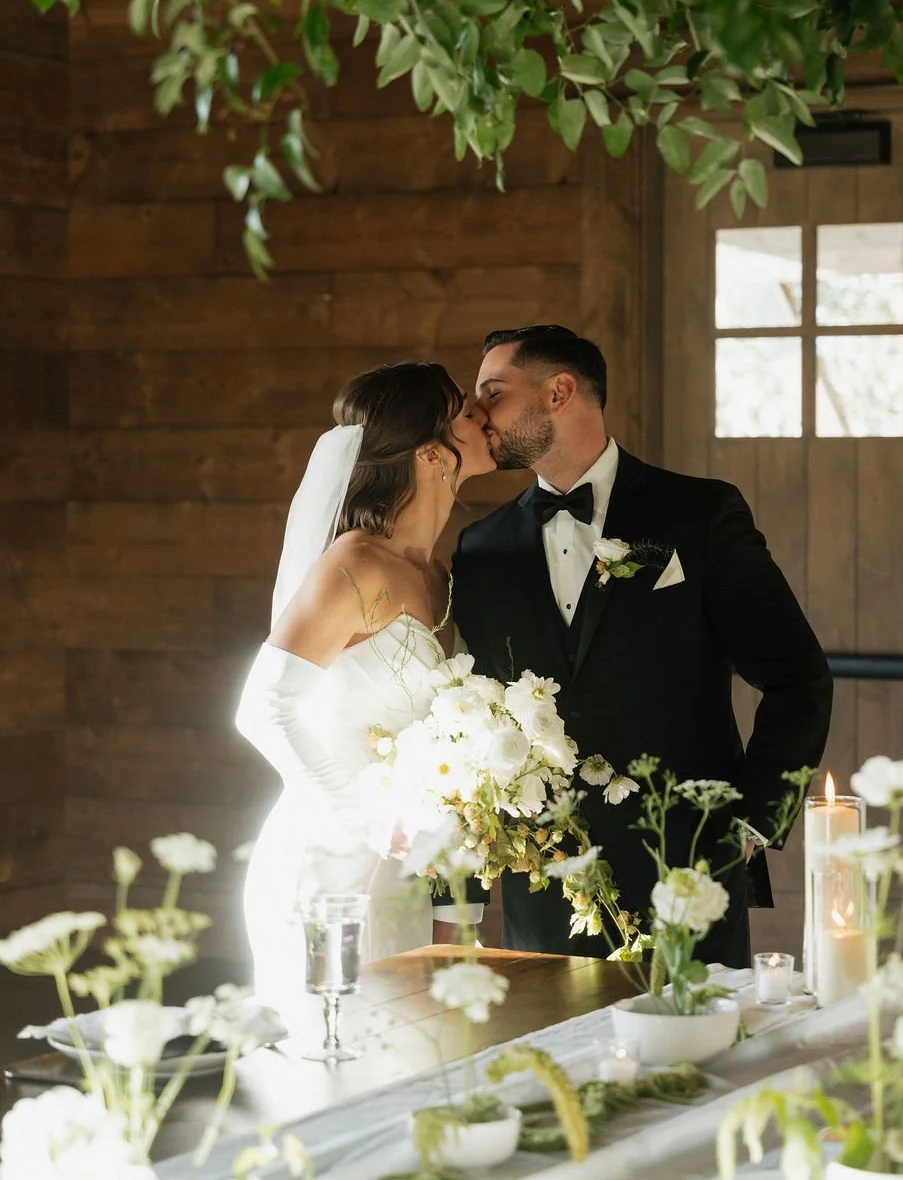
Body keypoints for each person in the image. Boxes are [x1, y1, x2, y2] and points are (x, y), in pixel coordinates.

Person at [451, 325, 833, 967]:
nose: (478, 413)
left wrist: (748, 826)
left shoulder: (700, 514)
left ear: (559, 391)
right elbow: (477, 721)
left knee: (699, 1064)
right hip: (545, 890)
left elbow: (798, 677)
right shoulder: (480, 550)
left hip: (686, 870)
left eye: (493, 391)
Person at [236, 361, 495, 1031]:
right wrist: (366, 818)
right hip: (328, 868)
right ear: (432, 452)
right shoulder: (355, 565)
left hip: (407, 872)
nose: (484, 415)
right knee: (333, 1056)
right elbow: (263, 708)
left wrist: (454, 905)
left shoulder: (435, 574)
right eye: (466, 408)